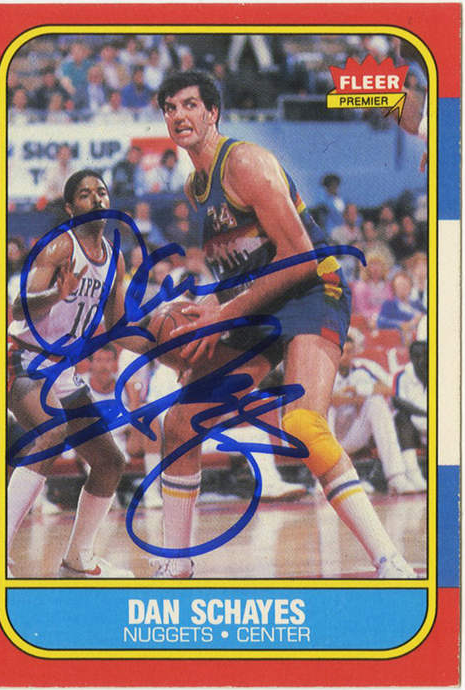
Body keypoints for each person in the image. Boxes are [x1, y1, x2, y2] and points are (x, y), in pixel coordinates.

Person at [151, 70, 416, 579]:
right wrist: (205, 320)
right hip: (260, 302)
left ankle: (390, 559)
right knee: (181, 422)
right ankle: (175, 565)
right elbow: (241, 266)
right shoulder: (195, 186)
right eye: (169, 108)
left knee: (303, 424)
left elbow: (299, 257)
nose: (178, 115)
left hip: (313, 288)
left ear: (213, 113)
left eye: (189, 104)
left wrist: (223, 314)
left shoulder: (245, 163)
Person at [7, 169, 139, 579]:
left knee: (110, 461)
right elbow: (17, 307)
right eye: (85, 194)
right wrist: (57, 294)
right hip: (23, 356)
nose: (96, 199)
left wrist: (169, 345)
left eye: (102, 191)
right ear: (70, 207)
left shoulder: (114, 259)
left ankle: (78, 561)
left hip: (60, 367)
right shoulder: (59, 246)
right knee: (52, 431)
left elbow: (119, 328)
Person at [329, 336, 419, 494]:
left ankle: (396, 477)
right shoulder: (324, 370)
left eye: (349, 352)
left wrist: (358, 390)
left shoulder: (363, 367)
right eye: (342, 352)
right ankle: (326, 479)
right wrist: (354, 399)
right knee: (326, 407)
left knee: (376, 401)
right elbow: (324, 398)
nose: (345, 356)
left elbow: (390, 388)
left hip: (353, 435)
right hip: (327, 440)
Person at [392, 341, 428, 492]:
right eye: (416, 356)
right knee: (401, 417)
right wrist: (426, 414)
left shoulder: (442, 372)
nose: (421, 360)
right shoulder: (401, 374)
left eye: (425, 356)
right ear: (411, 358)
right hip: (413, 427)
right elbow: (397, 401)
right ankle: (413, 473)